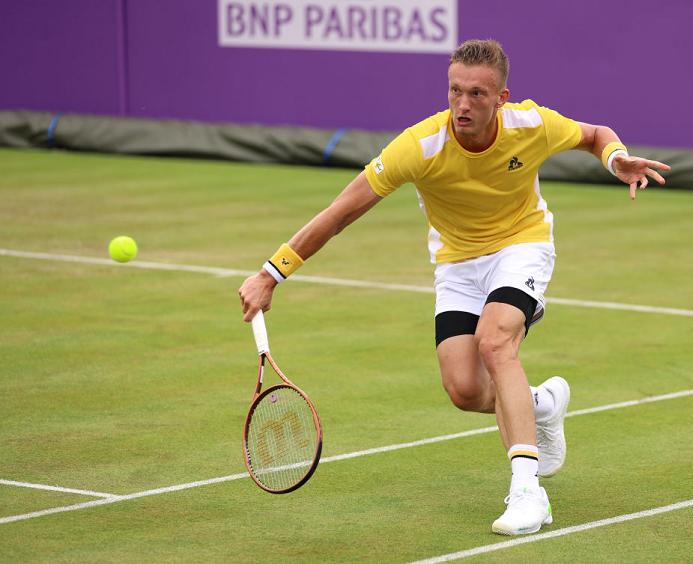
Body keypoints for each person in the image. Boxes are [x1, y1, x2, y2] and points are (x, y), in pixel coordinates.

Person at [239, 39, 670, 535]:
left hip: (521, 245)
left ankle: (529, 491)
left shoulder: (531, 124)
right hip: (457, 264)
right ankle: (540, 405)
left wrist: (615, 158)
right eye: (455, 92)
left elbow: (595, 135)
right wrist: (272, 273)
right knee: (464, 390)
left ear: (502, 98)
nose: (463, 105)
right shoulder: (418, 146)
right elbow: (341, 213)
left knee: (495, 341)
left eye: (477, 95)